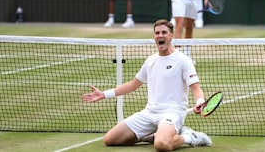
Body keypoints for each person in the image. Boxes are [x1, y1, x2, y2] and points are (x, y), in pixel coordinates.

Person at [82, 19, 212, 151]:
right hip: (149, 113)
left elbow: (196, 89)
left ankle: (189, 137)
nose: (160, 36)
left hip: (172, 114)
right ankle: (152, 135)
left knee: (162, 145)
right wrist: (103, 94)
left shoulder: (183, 61)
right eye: (157, 33)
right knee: (110, 139)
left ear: (171, 36)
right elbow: (132, 85)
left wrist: (200, 101)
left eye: (164, 32)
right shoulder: (150, 61)